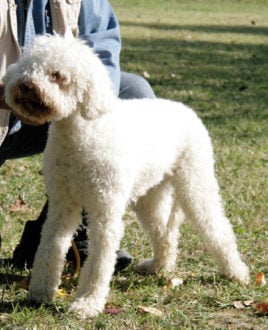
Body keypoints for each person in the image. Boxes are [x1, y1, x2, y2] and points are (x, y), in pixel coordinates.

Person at [0, 0, 156, 271]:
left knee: (133, 91)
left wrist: (63, 101)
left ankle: (71, 231)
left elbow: (103, 60)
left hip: (56, 114)